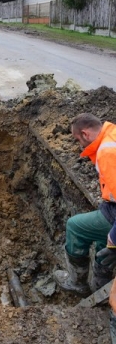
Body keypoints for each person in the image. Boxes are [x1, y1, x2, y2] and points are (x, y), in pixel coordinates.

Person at [54, 113, 116, 295]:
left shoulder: (107, 152)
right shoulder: (112, 134)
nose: (79, 144)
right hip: (111, 206)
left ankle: (77, 283)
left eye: (77, 139)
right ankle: (101, 282)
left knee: (75, 226)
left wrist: (114, 238)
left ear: (85, 133)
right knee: (100, 239)